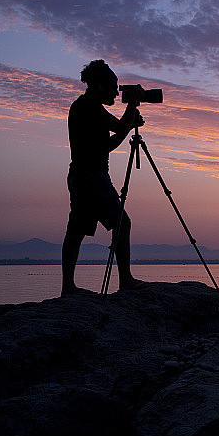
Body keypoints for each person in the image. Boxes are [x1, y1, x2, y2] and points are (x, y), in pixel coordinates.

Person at [61, 59, 145, 296]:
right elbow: (118, 129)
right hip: (92, 177)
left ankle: (68, 287)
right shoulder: (89, 107)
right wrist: (132, 108)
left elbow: (107, 144)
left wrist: (128, 124)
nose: (116, 94)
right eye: (113, 87)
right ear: (99, 85)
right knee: (121, 223)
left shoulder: (84, 107)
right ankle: (125, 280)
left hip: (81, 176)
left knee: (76, 230)